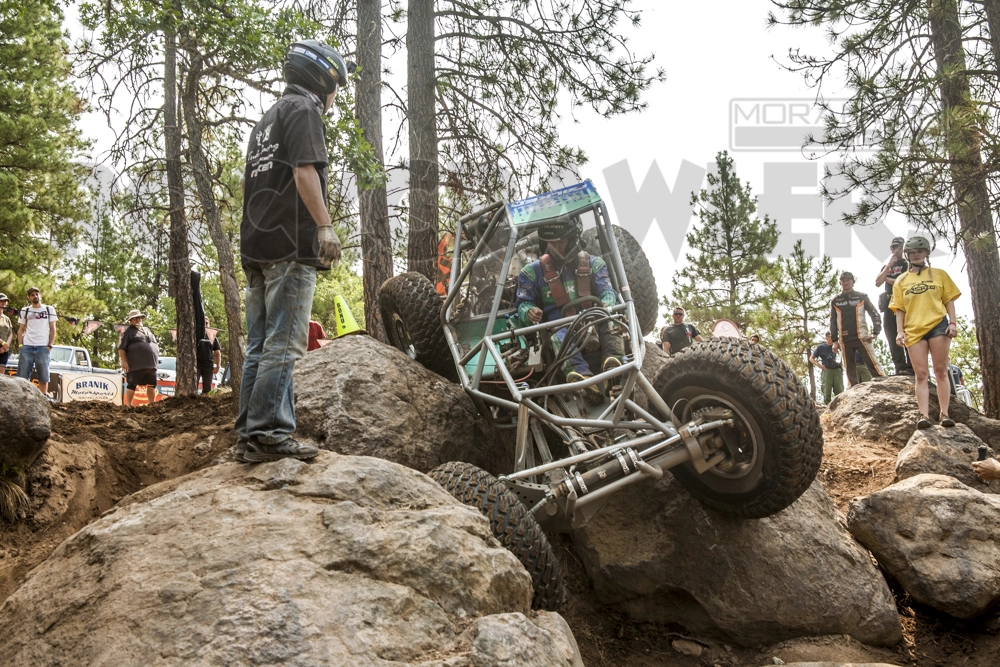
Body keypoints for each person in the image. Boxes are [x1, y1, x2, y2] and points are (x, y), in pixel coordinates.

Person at [236, 40, 351, 463]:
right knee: (284, 344)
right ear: (323, 79)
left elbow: (248, 186)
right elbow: (305, 172)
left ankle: (249, 435)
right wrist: (325, 226)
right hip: (289, 244)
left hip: (257, 243)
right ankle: (268, 433)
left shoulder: (265, 120)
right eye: (337, 86)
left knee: (261, 345)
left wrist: (250, 236)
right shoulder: (304, 112)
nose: (335, 96)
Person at [514, 216, 624, 406]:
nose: (556, 246)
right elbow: (522, 304)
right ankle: (582, 378)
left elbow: (608, 291)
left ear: (573, 239)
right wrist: (529, 311)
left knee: (610, 316)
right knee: (558, 335)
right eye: (551, 241)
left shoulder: (594, 263)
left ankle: (613, 365)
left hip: (594, 319)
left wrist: (606, 304)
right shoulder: (531, 272)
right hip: (561, 327)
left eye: (561, 241)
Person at [890, 236, 961, 430]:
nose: (916, 255)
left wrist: (953, 323)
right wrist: (899, 332)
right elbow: (899, 309)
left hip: (938, 325)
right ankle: (923, 415)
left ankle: (944, 414)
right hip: (913, 330)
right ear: (908, 255)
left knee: (940, 371)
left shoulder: (939, 274)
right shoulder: (901, 280)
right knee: (921, 374)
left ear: (926, 253)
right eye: (912, 252)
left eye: (919, 252)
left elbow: (949, 300)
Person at [830, 271, 883, 387]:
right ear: (840, 283)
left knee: (873, 364)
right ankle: (853, 389)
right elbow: (832, 321)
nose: (846, 282)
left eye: (848, 280)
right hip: (844, 338)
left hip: (861, 336)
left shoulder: (862, 297)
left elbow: (874, 313)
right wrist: (834, 340)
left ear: (853, 282)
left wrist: (875, 332)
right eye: (843, 280)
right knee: (849, 369)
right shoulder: (835, 300)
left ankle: (882, 384)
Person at [874, 236, 913, 376]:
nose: (896, 250)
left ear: (903, 248)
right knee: (891, 335)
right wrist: (889, 267)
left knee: (907, 334)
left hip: (904, 304)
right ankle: (899, 367)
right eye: (893, 247)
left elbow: (902, 282)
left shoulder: (908, 264)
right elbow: (878, 282)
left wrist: (888, 279)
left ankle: (910, 366)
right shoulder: (886, 266)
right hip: (889, 305)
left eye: (899, 247)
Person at [16, 287, 57, 396]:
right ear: (29, 297)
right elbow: (21, 329)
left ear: (40, 296)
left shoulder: (49, 309)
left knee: (43, 376)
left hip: (43, 346)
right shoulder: (25, 310)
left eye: (37, 294)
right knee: (22, 376)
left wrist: (50, 345)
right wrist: (21, 345)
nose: (35, 296)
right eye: (32, 295)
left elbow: (53, 328)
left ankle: (43, 397)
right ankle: (22, 397)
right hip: (27, 346)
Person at [118, 309, 160, 407]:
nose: (138, 320)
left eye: (139, 317)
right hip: (136, 364)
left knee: (152, 384)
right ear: (131, 320)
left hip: (151, 364)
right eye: (135, 318)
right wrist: (124, 362)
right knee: (132, 384)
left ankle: (151, 404)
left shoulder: (147, 330)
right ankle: (128, 405)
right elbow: (121, 348)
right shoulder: (128, 332)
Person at [811, 332, 844, 403]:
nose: (830, 338)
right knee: (826, 392)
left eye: (831, 336)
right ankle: (826, 409)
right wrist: (819, 365)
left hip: (837, 371)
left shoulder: (839, 346)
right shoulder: (821, 347)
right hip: (827, 371)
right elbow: (811, 358)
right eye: (828, 336)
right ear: (826, 338)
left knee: (840, 392)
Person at [196, 317, 222, 395]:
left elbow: (217, 352)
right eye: (204, 323)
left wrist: (218, 366)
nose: (205, 325)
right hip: (196, 365)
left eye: (207, 323)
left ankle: (204, 402)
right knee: (193, 386)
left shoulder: (213, 337)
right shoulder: (196, 335)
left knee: (207, 388)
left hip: (208, 366)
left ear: (209, 324)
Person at [0, 293, 12, 368]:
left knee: (1, 377)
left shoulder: (7, 319)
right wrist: (3, 343)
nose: (3, 303)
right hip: (3, 344)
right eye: (1, 301)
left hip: (4, 350)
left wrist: (6, 345)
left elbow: (10, 333)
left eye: (5, 301)